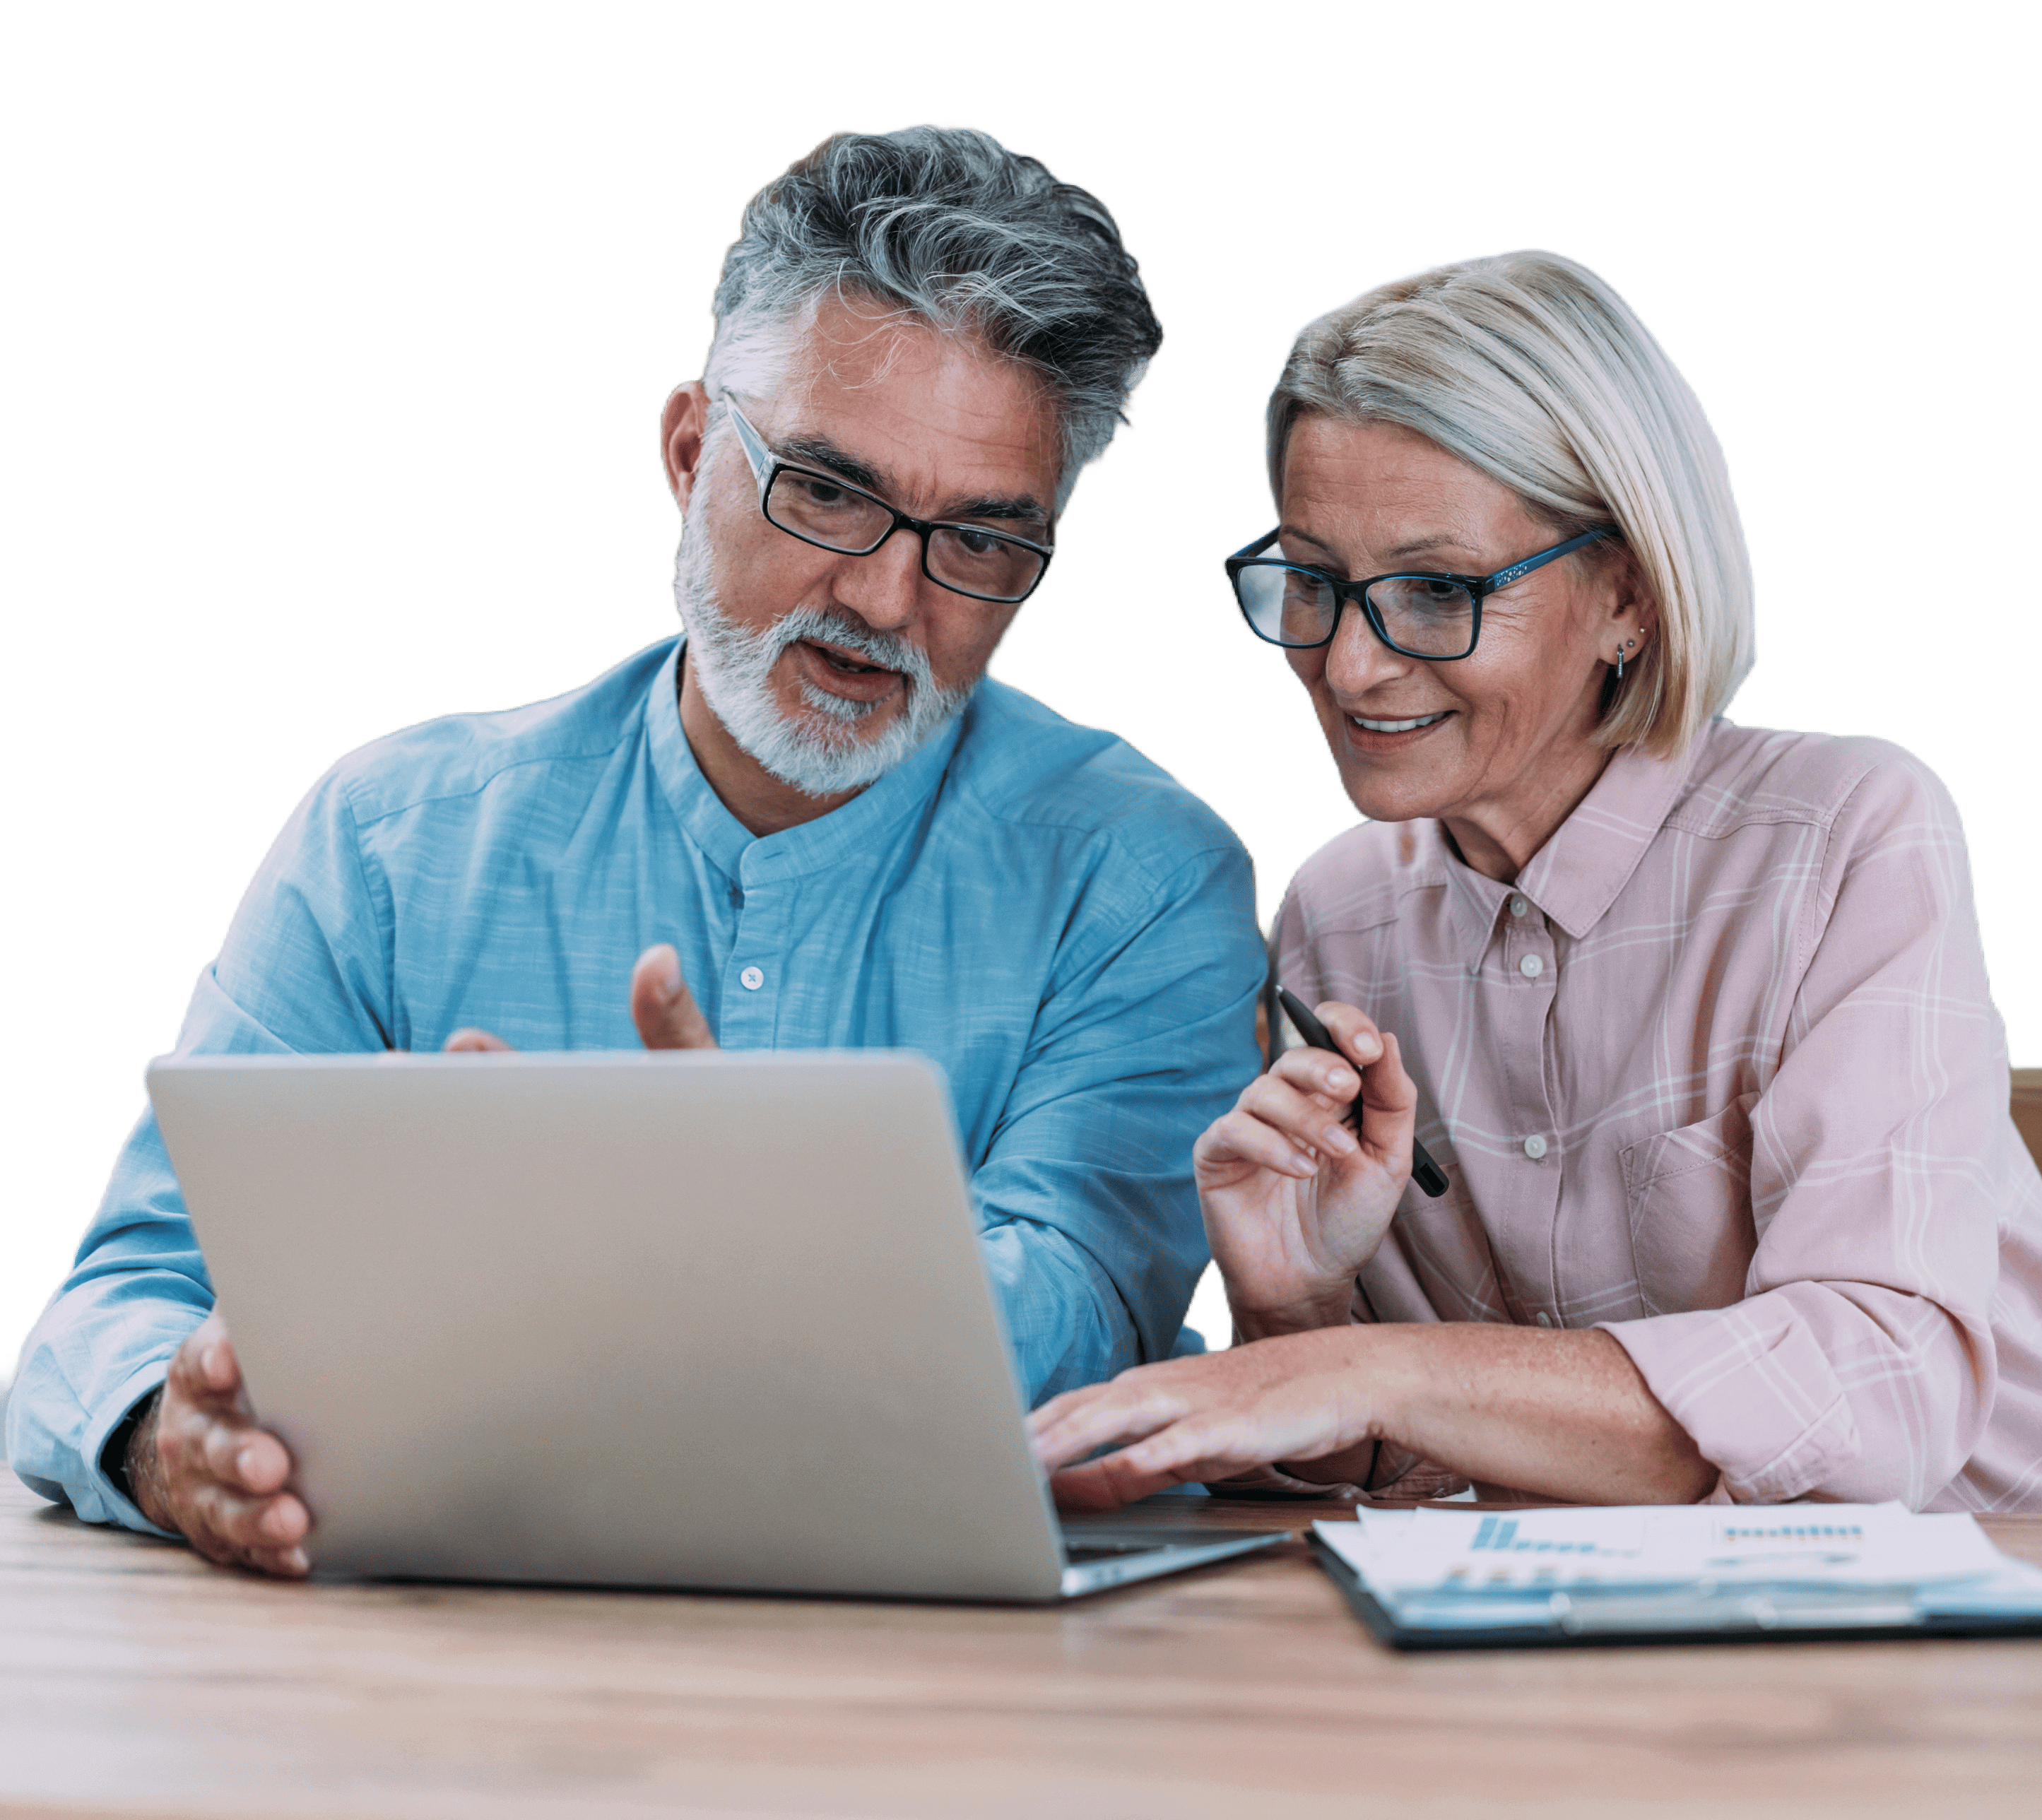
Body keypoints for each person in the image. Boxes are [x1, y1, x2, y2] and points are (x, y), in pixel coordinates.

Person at [8, 123, 1265, 1574]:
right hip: (442, 1669)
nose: (884, 594)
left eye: (983, 541)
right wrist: (168, 1441)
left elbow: (1075, 1336)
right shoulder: (390, 842)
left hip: (964, 1681)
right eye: (829, 489)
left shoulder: (1145, 878)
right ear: (689, 451)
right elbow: (124, 1293)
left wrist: (738, 1232)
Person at [1033, 249, 2042, 1515]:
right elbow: (1409, 1451)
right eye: (1316, 585)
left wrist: (1376, 1364)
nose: (1349, 667)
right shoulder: (1342, 915)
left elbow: (1880, 1391)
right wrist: (1294, 1304)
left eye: (1437, 590)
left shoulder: (1847, 832)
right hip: (1661, 1659)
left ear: (1631, 598)